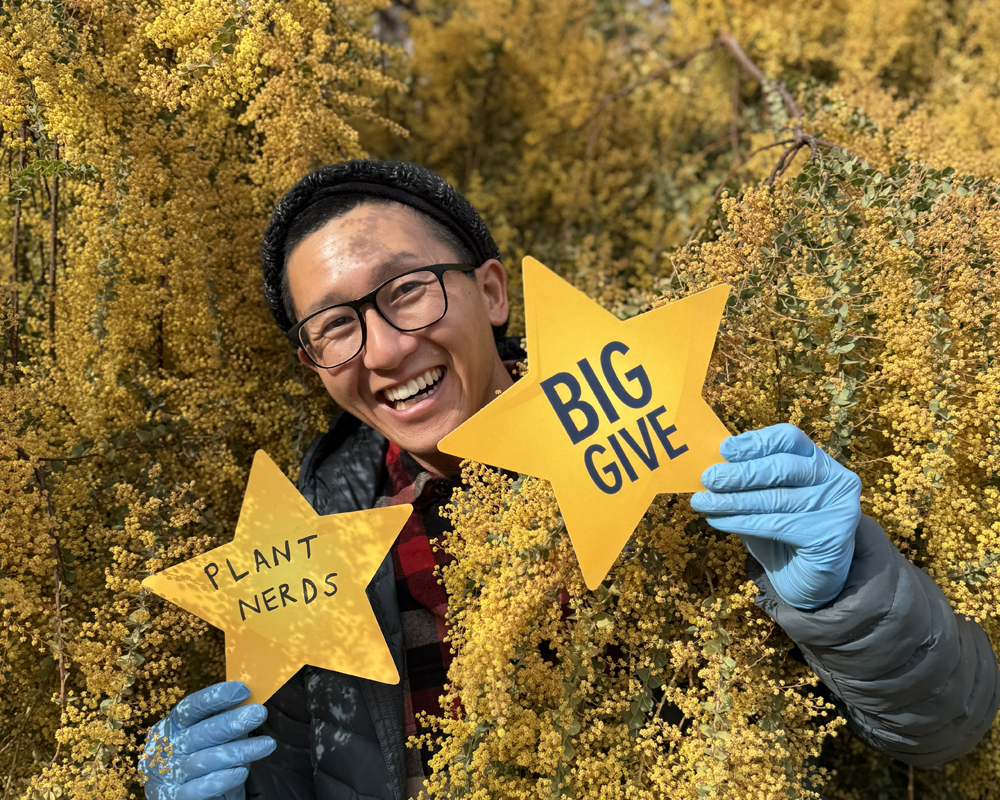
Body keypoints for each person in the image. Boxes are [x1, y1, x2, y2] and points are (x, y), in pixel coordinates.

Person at [141, 160, 999, 800]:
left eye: (407, 292)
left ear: (491, 292)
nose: (387, 349)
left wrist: (849, 595)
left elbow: (945, 730)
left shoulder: (672, 443)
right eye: (336, 327)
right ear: (314, 363)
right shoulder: (307, 546)